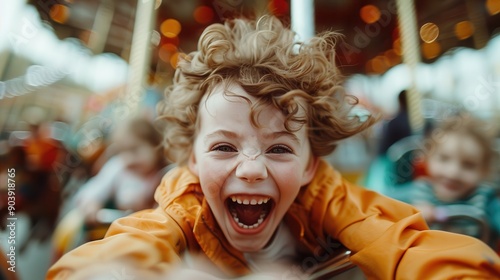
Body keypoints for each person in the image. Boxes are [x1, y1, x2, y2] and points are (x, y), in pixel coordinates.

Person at [47, 16, 500, 279]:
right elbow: (123, 250)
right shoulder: (183, 207)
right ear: (192, 158)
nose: (249, 169)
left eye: (280, 149)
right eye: (224, 147)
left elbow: (406, 246)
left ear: (309, 164)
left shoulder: (330, 199)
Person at [410, 114, 500, 243]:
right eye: (444, 158)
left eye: (468, 165)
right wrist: (411, 211)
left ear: (483, 171)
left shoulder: (487, 200)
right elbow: (383, 204)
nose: (453, 173)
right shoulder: (417, 190)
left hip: (469, 262)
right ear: (428, 158)